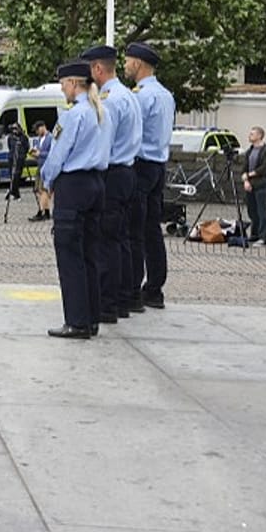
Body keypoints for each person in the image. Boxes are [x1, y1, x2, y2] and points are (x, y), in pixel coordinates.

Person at [40, 61, 110, 339]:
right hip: (96, 183)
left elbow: (58, 154)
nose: (61, 88)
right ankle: (92, 318)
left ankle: (77, 321)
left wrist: (47, 181)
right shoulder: (101, 112)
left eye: (63, 83)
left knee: (70, 256)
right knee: (90, 254)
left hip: (74, 184)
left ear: (72, 83)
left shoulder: (72, 115)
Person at [84, 44, 142, 323]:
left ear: (97, 69)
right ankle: (124, 298)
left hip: (113, 172)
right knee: (122, 240)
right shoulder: (128, 95)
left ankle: (107, 303)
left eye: (89, 70)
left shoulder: (109, 99)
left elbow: (102, 142)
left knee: (106, 241)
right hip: (129, 171)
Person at [125, 41, 175, 311]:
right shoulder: (166, 94)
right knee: (152, 230)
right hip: (158, 165)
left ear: (138, 64)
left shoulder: (142, 96)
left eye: (128, 60)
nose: (125, 65)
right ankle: (155, 287)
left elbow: (132, 132)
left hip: (142, 164)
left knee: (135, 229)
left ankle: (133, 289)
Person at [240, 125, 266, 246]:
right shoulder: (249, 151)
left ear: (259, 135)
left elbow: (265, 168)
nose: (250, 136)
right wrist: (246, 180)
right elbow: (244, 168)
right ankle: (254, 234)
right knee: (252, 211)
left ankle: (263, 236)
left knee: (262, 211)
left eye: (252, 134)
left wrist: (249, 175)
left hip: (261, 184)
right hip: (250, 185)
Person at [29, 122, 53, 221]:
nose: (37, 132)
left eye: (38, 130)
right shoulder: (39, 139)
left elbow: (52, 153)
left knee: (44, 190)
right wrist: (34, 153)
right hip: (40, 166)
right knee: (38, 189)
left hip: (47, 166)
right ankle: (46, 211)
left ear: (43, 127)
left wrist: (40, 154)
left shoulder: (50, 138)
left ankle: (41, 211)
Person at [5, 124, 31, 202]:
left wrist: (22, 154)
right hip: (11, 158)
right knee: (12, 176)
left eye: (16, 128)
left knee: (17, 176)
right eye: (13, 129)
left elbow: (26, 147)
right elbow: (9, 146)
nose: (14, 130)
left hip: (20, 158)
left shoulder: (23, 137)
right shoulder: (10, 137)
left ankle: (11, 191)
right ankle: (15, 193)